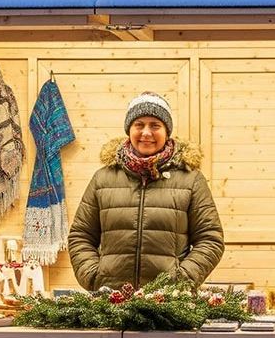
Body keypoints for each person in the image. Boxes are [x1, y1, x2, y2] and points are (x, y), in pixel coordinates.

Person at [68, 92, 225, 291]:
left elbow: (210, 238)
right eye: (139, 124)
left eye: (155, 125)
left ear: (166, 131)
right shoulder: (103, 178)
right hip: (111, 303)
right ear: (129, 129)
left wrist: (180, 282)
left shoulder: (190, 179)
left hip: (170, 304)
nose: (146, 132)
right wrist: (94, 277)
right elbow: (80, 235)